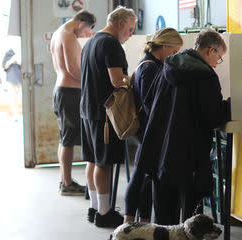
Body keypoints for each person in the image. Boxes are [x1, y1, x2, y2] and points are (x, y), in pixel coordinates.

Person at [135, 29, 231, 240]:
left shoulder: (168, 66)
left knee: (164, 207)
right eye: (218, 58)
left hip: (160, 150)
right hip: (190, 154)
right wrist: (230, 106)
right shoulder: (205, 76)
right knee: (192, 212)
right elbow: (212, 116)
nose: (216, 64)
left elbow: (149, 100)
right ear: (211, 50)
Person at [80, 6, 136, 228]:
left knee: (93, 160)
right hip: (104, 112)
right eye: (130, 29)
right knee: (104, 163)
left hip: (88, 109)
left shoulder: (92, 41)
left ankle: (95, 208)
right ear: (120, 23)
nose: (130, 35)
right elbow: (116, 80)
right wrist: (133, 79)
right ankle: (104, 213)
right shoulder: (111, 43)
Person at [124, 28, 183, 224]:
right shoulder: (150, 68)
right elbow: (152, 105)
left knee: (144, 178)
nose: (174, 57)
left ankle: (141, 223)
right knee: (141, 178)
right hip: (149, 132)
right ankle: (130, 223)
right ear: (164, 47)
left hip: (148, 131)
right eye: (174, 52)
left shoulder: (149, 64)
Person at [50, 10, 96, 196]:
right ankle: (67, 184)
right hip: (69, 92)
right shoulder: (68, 35)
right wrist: (88, 84)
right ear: (80, 23)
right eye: (87, 30)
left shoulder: (57, 34)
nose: (85, 34)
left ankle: (65, 181)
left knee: (65, 139)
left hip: (63, 90)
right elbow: (72, 68)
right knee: (68, 140)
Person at [2, 49, 22, 118]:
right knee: (13, 97)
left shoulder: (17, 58)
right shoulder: (7, 58)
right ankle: (15, 113)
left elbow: (22, 66)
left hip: (19, 80)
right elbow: (5, 66)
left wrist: (17, 61)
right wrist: (10, 61)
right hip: (11, 80)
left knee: (19, 97)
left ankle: (18, 112)